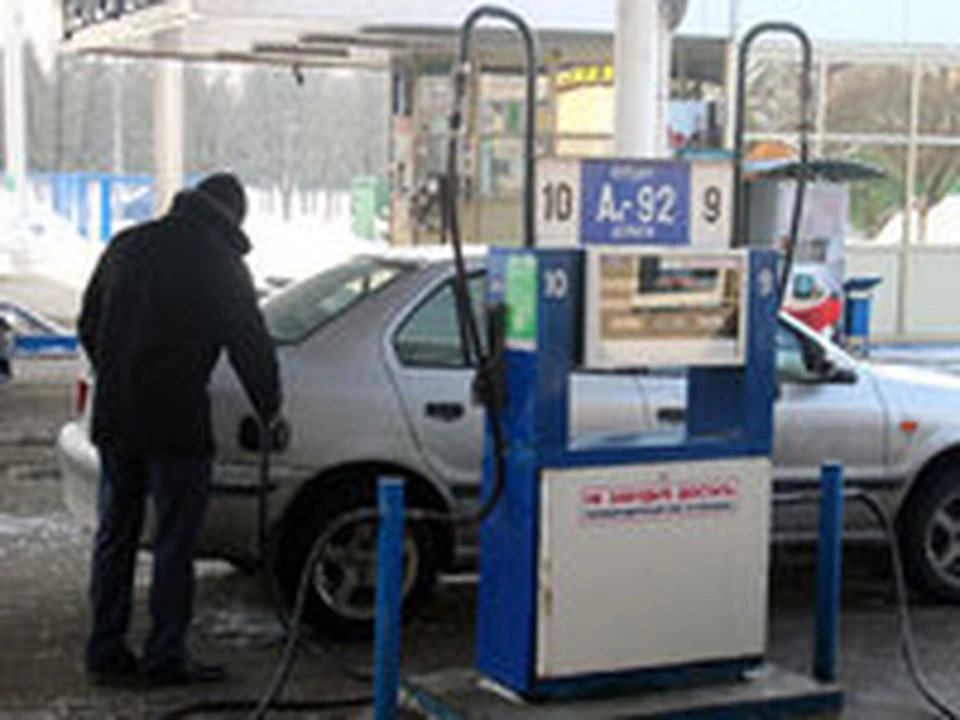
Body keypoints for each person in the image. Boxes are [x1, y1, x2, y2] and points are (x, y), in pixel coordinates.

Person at [78, 172, 281, 686]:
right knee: (173, 544)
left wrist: (118, 372)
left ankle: (105, 649)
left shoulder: (128, 244)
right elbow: (249, 341)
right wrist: (268, 406)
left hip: (117, 417)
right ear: (232, 214)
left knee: (115, 536)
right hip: (176, 425)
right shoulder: (219, 261)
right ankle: (164, 655)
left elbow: (87, 322)